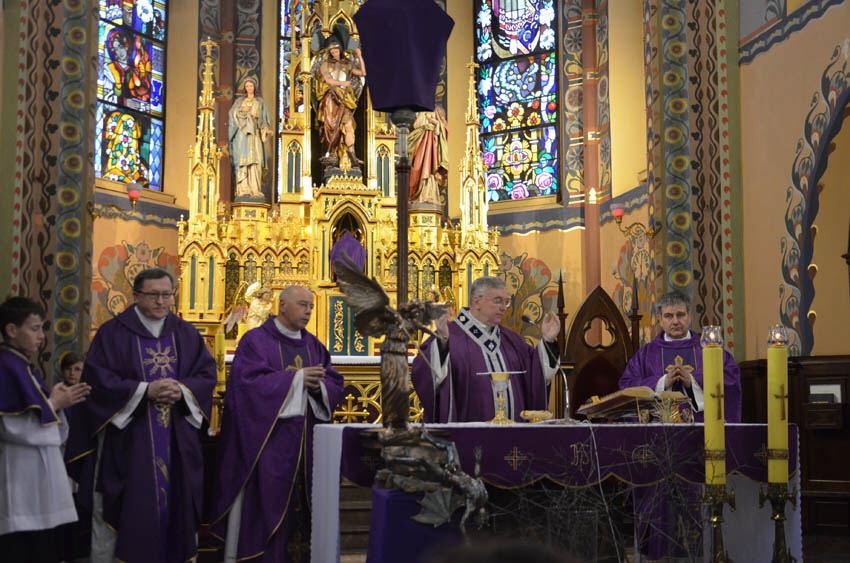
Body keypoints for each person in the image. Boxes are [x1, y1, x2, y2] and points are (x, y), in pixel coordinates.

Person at [77, 268, 216, 563]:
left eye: (167, 295)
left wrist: (182, 390)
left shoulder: (185, 333)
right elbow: (98, 381)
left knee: (177, 506)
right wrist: (144, 391)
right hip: (129, 439)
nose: (161, 302)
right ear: (136, 295)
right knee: (130, 507)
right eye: (153, 295)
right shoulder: (113, 334)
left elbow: (206, 375)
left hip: (176, 438)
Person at [211, 285, 344, 562]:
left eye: (311, 306)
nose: (308, 311)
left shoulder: (313, 345)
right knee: (266, 509)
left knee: (302, 520)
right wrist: (296, 380)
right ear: (282, 305)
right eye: (302, 305)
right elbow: (246, 386)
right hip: (266, 446)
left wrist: (319, 387)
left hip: (305, 449)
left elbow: (333, 381)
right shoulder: (255, 342)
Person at [0, 297, 90, 562]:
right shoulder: (6, 366)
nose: (41, 336)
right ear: (12, 330)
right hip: (19, 476)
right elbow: (10, 426)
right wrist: (55, 404)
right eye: (35, 328)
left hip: (36, 477)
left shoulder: (22, 365)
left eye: (42, 328)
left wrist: (56, 404)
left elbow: (41, 417)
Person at [412, 277, 561, 422]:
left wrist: (548, 341)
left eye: (506, 301)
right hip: (468, 437)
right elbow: (426, 375)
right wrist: (442, 345)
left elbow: (536, 374)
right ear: (477, 301)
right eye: (497, 300)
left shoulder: (513, 341)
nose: (503, 307)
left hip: (515, 435)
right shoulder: (449, 336)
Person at [618, 291, 742, 422]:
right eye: (668, 316)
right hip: (658, 429)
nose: (675, 321)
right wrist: (662, 382)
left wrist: (692, 381)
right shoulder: (646, 354)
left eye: (681, 315)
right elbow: (627, 386)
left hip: (704, 427)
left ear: (689, 316)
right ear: (660, 319)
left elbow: (731, 379)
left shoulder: (708, 348)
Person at [313, 37, 366, 169]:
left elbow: (362, 73)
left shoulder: (347, 64)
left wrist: (359, 56)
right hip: (331, 97)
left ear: (340, 50)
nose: (334, 53)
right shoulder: (325, 64)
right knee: (332, 127)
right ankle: (332, 154)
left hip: (344, 98)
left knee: (348, 125)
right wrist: (343, 83)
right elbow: (328, 80)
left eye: (336, 50)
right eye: (331, 51)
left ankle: (352, 154)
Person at [228, 76, 272, 200]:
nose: (249, 88)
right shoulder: (239, 101)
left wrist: (266, 130)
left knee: (256, 161)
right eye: (247, 86)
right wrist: (241, 110)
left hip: (255, 135)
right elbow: (231, 115)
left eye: (251, 86)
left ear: (254, 87)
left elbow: (264, 120)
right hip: (242, 136)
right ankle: (243, 190)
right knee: (243, 162)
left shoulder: (260, 102)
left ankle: (255, 189)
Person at [408, 107, 448, 206]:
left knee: (430, 169)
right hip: (420, 143)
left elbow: (439, 131)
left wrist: (434, 123)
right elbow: (416, 125)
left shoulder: (434, 111)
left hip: (431, 145)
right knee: (417, 167)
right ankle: (418, 194)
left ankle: (427, 194)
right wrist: (424, 126)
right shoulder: (421, 111)